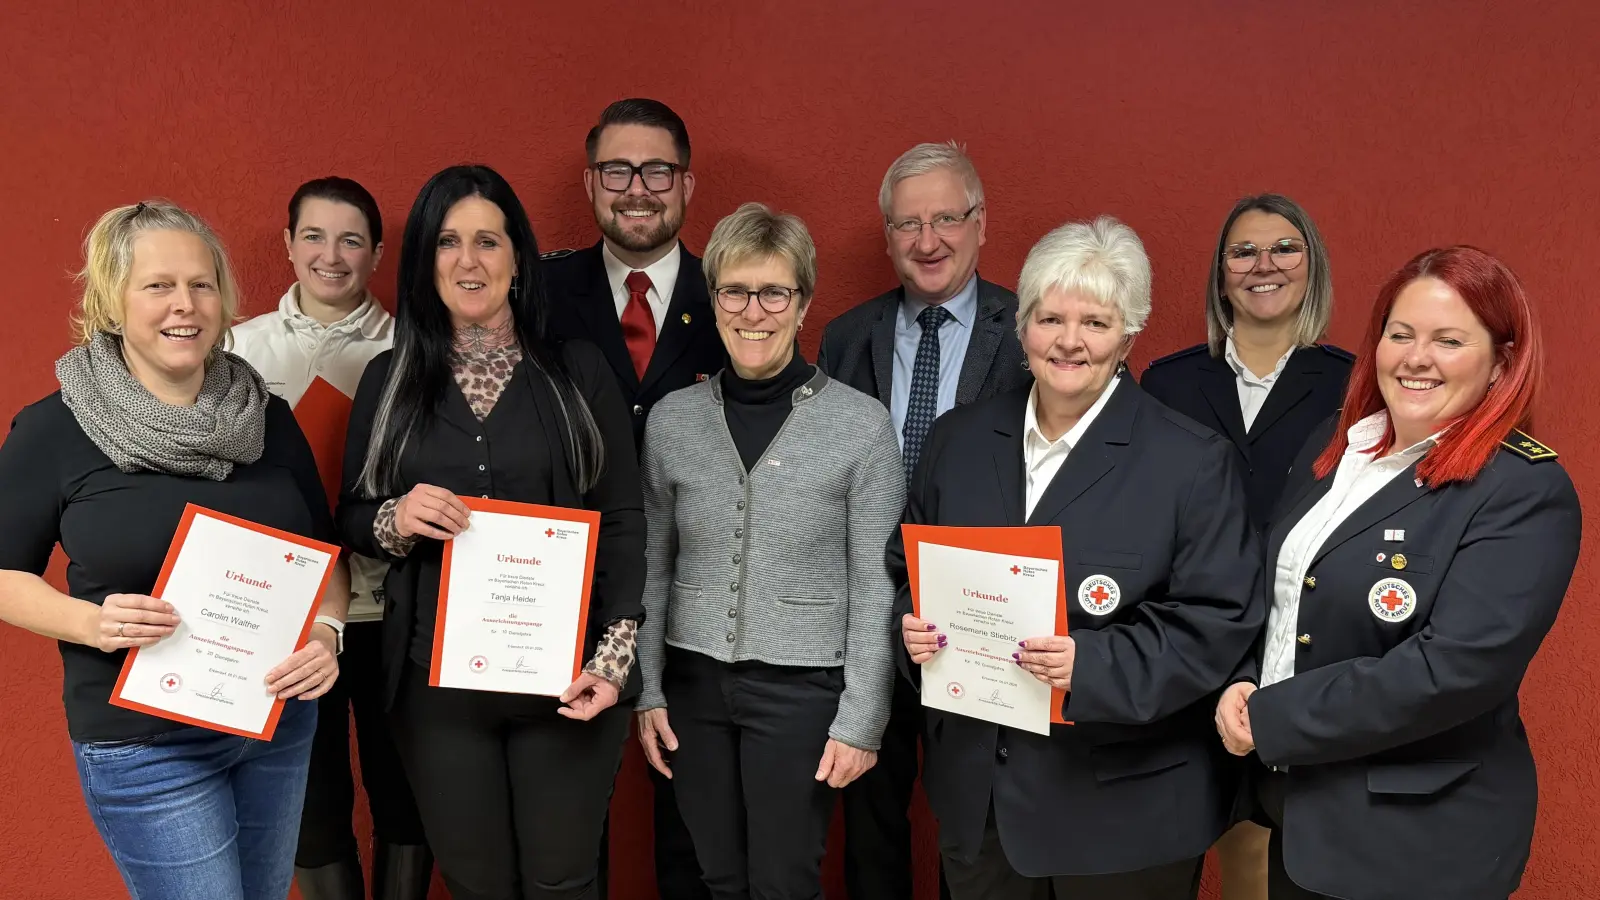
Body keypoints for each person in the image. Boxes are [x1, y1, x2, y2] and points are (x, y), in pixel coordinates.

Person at [892, 216, 1262, 900]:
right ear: (1021, 326)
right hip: (981, 808)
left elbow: (1221, 623)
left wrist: (1089, 664)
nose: (1069, 341)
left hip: (1122, 815)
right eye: (1050, 318)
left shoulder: (1190, 462)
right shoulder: (959, 441)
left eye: (1094, 321)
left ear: (1129, 334)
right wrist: (911, 629)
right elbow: (905, 569)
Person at [0, 200, 350, 900]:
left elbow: (324, 558)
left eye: (202, 284)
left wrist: (326, 632)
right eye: (157, 285)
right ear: (111, 300)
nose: (184, 305)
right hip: (144, 744)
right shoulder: (55, 430)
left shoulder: (266, 418)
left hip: (273, 724)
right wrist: (89, 623)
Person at [1214, 246, 1582, 900]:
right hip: (1306, 818)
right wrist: (1244, 681)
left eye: (1449, 340)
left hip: (1417, 843)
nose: (1416, 357)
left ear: (1501, 361)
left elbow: (1452, 672)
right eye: (1400, 333)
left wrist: (1272, 717)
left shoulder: (1524, 489)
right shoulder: (1339, 443)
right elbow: (1286, 594)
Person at [337, 164, 644, 900]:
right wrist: (396, 517)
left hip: (565, 681)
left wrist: (615, 655)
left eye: (488, 241)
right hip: (435, 689)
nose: (468, 262)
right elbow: (350, 516)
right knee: (475, 884)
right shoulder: (391, 377)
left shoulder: (578, 372)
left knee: (561, 881)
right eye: (448, 242)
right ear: (423, 258)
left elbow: (625, 520)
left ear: (517, 256)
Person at [634, 202, 904, 900]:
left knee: (784, 881)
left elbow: (879, 584)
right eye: (735, 290)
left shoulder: (861, 425)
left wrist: (863, 718)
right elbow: (653, 563)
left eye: (774, 292)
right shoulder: (673, 421)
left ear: (803, 301)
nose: (753, 311)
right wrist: (649, 689)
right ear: (714, 298)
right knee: (716, 876)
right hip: (691, 687)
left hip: (805, 690)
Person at [815, 140, 1030, 900]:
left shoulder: (1033, 331)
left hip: (982, 614)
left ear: (981, 223)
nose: (928, 240)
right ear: (887, 237)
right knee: (869, 815)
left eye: (947, 218)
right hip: (868, 606)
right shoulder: (846, 337)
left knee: (974, 823)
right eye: (909, 224)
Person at [1138, 194, 1351, 899]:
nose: (1264, 264)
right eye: (1243, 251)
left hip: (1299, 649)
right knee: (1186, 835)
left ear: (1311, 266)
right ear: (1220, 274)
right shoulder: (1165, 383)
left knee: (1270, 852)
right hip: (1189, 644)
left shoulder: (1356, 385)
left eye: (1284, 248)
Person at [229, 177, 432, 900]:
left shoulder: (416, 350)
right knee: (307, 806)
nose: (331, 255)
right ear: (287, 245)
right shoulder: (237, 350)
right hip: (284, 619)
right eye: (313, 236)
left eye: (351, 239)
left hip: (397, 609)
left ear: (378, 252)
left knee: (405, 796)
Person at [542, 97, 724, 899]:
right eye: (618, 170)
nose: (637, 188)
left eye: (657, 170)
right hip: (561, 591)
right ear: (589, 182)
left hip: (697, 592)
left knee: (692, 821)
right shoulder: (539, 293)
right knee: (568, 825)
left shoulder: (737, 294)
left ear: (686, 182)